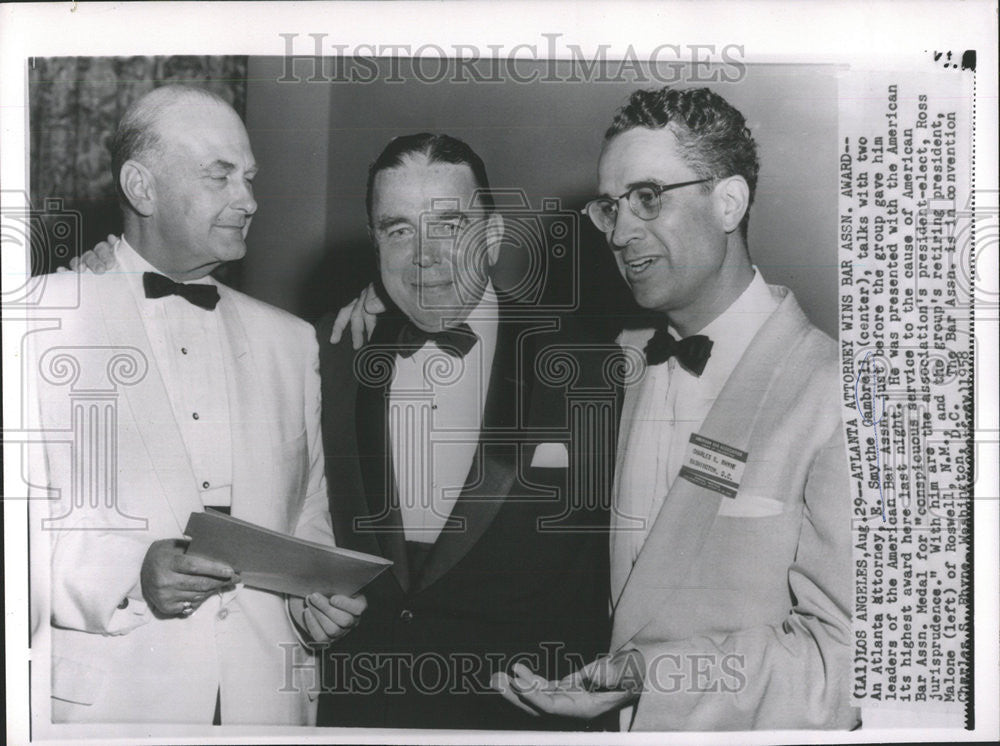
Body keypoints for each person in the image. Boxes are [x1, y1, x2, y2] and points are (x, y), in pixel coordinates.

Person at [487, 86, 858, 731]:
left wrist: (650, 677)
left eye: (648, 198)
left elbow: (847, 666)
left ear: (728, 202)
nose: (622, 231)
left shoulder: (838, 394)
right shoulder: (616, 364)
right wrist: (382, 315)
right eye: (610, 208)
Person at [27, 84, 364, 726]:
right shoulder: (37, 321)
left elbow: (307, 515)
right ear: (141, 187)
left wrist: (311, 601)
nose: (250, 200)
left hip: (266, 709)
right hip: (110, 713)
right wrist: (131, 574)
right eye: (221, 176)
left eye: (250, 177)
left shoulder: (290, 343)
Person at [314, 133, 612, 730]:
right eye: (398, 230)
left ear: (494, 236)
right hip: (361, 720)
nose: (424, 255)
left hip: (520, 725)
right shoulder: (328, 356)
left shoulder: (589, 368)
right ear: (374, 244)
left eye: (449, 226)